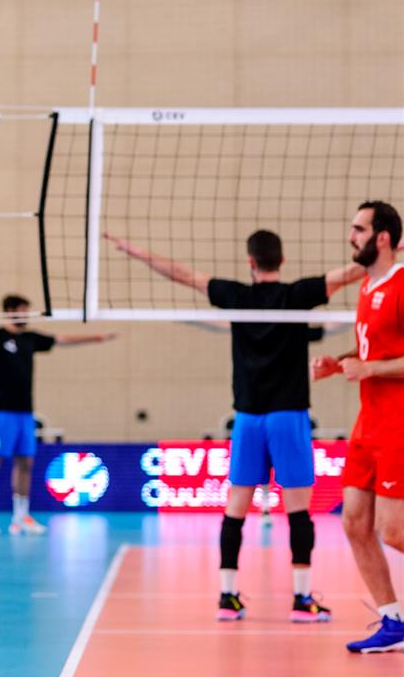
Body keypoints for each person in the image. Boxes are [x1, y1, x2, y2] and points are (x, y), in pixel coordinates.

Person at [107, 229, 365, 622]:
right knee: (298, 511)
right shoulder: (298, 295)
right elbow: (349, 273)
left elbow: (181, 274)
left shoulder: (236, 296)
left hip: (247, 418)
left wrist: (135, 250)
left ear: (250, 261)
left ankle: (227, 597)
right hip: (288, 415)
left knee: (236, 509)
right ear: (282, 259)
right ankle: (301, 601)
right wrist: (388, 248)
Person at [0, 295, 115, 536]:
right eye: (23, 310)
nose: (27, 314)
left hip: (25, 413)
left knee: (25, 463)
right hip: (1, 412)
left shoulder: (31, 339)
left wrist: (96, 338)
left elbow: (61, 340)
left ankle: (21, 516)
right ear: (10, 311)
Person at [312, 200, 404, 653]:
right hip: (369, 421)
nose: (352, 237)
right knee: (353, 522)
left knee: (393, 531)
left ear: (382, 237)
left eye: (359, 229)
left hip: (398, 422)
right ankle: (393, 621)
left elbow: (383, 362)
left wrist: (370, 370)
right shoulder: (368, 287)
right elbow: (373, 349)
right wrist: (341, 363)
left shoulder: (402, 285)